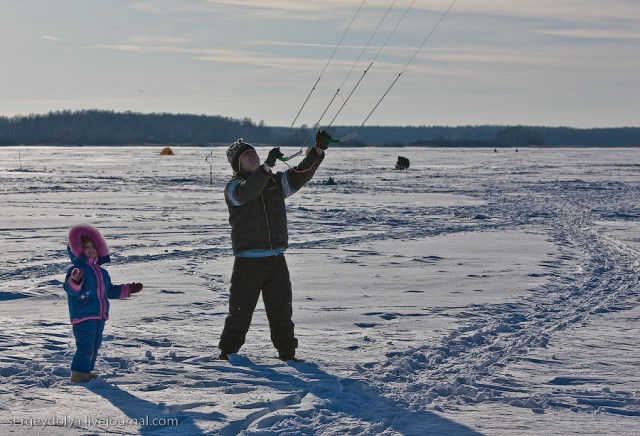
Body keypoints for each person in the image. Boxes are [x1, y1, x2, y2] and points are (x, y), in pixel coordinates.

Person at [218, 130, 332, 362]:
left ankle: (288, 355)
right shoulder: (233, 187)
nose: (252, 156)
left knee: (282, 312)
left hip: (276, 260)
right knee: (240, 313)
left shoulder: (274, 182)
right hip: (247, 264)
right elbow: (249, 191)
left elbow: (299, 175)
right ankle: (227, 355)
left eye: (253, 153)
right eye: (246, 155)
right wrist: (266, 168)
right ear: (237, 164)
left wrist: (317, 151)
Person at [63, 225, 143, 383]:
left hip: (99, 315)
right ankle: (78, 373)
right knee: (85, 345)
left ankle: (87, 370)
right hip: (83, 315)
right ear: (77, 250)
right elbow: (71, 290)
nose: (90, 249)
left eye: (92, 246)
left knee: (95, 344)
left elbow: (110, 291)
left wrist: (128, 289)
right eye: (86, 247)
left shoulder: (102, 272)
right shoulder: (77, 270)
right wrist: (76, 280)